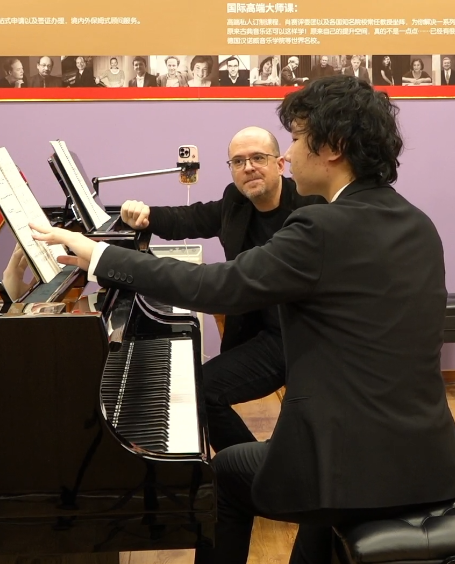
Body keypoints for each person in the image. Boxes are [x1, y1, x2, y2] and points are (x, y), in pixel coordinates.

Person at [31, 75, 455, 564]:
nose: (289, 153)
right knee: (310, 516)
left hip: (350, 464)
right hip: (426, 460)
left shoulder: (321, 227)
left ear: (333, 147)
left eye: (296, 138)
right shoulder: (417, 223)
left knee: (226, 476)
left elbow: (216, 286)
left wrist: (98, 255)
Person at [119, 126, 325, 452]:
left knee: (292, 433)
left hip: (307, 338)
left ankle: (261, 468)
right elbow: (191, 218)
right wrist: (146, 216)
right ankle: (248, 469)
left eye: (258, 158)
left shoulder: (310, 206)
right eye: (238, 161)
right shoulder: (236, 202)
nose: (248, 168)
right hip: (265, 337)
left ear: (279, 164)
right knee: (202, 390)